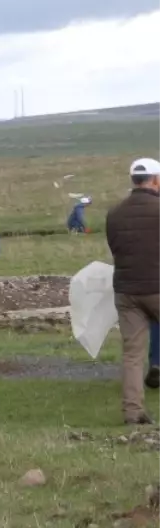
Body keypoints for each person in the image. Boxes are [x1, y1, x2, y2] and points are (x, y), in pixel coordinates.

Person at [105, 157, 160, 425]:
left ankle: (133, 411)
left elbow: (116, 249)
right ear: (156, 180)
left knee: (132, 353)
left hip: (127, 291)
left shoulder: (114, 213)